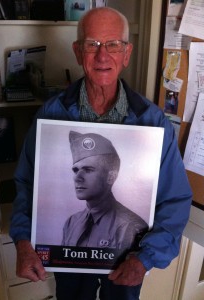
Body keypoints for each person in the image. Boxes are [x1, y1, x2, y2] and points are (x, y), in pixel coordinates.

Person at [10, 6, 192, 300]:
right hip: (69, 270)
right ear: (78, 51)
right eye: (91, 44)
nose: (102, 55)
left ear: (127, 53)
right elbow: (26, 185)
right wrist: (22, 242)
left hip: (127, 264)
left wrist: (144, 259)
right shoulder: (52, 114)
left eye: (112, 45)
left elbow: (175, 200)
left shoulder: (153, 121)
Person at [62, 130, 148, 249]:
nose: (77, 178)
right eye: (76, 170)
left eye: (88, 170)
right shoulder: (71, 223)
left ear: (111, 177)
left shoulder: (130, 227)